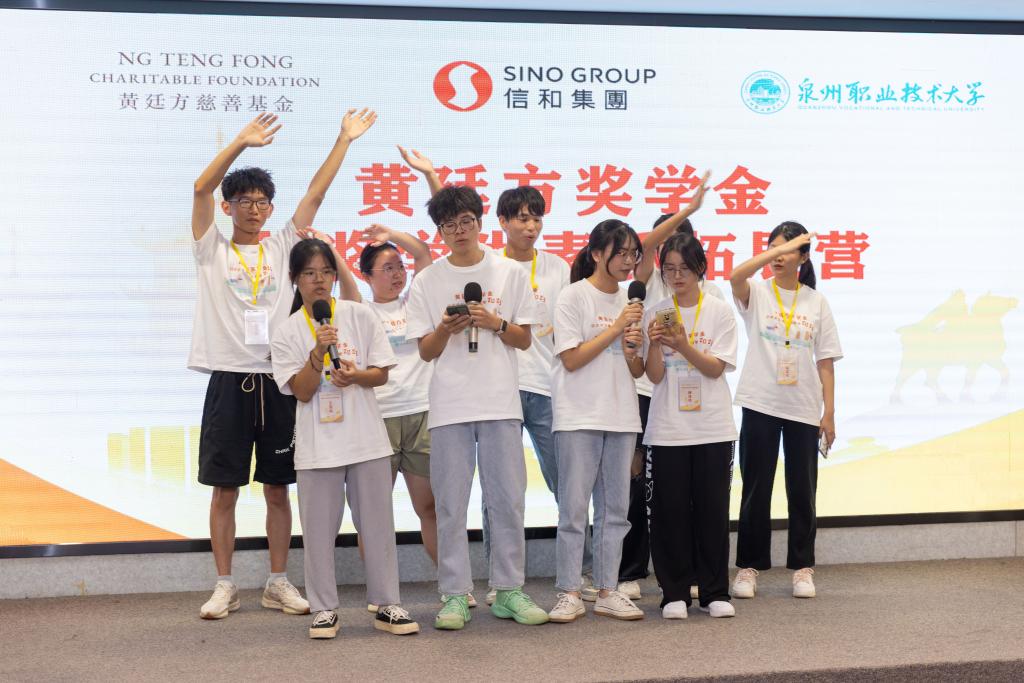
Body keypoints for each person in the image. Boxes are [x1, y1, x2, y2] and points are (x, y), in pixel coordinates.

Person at [189, 109, 376, 620]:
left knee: (278, 487)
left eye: (262, 202)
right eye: (244, 201)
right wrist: (241, 143)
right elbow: (200, 188)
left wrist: (343, 139)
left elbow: (316, 192)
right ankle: (224, 584)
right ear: (229, 206)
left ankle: (277, 580)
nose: (254, 210)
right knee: (224, 488)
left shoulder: (280, 246)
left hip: (279, 379)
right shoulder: (211, 248)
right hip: (229, 379)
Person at [405, 185, 549, 630]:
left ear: (481, 223)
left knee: (507, 500)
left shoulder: (508, 272)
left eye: (466, 221)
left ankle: (508, 590)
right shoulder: (427, 281)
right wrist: (445, 330)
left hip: (500, 403)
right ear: (440, 232)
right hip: (449, 405)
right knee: (450, 504)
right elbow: (425, 351)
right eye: (449, 225)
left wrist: (496, 322)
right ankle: (454, 594)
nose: (459, 231)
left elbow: (525, 339)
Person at [271, 238, 418, 639]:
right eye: (309, 273)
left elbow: (381, 374)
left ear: (335, 277)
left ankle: (387, 604)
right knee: (318, 532)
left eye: (325, 272)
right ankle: (323, 609)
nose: (319, 280)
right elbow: (302, 391)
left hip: (366, 439)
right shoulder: (286, 331)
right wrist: (317, 354)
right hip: (318, 447)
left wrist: (356, 376)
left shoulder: (359, 314)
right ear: (295, 279)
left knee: (378, 526)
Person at [728, 222, 842, 600]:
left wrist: (829, 413)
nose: (777, 256)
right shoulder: (758, 292)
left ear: (803, 257)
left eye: (787, 249)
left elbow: (826, 361)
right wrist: (775, 251)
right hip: (760, 401)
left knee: (803, 490)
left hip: (803, 406)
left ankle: (803, 567)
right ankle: (748, 567)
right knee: (756, 488)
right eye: (772, 248)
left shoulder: (816, 301)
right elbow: (735, 276)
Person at [617, 171, 712, 602]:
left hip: (693, 404)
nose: (675, 263)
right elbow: (646, 244)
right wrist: (686, 209)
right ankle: (630, 571)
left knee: (689, 494)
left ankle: (689, 571)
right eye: (666, 248)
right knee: (639, 485)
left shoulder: (707, 293)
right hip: (647, 394)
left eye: (682, 247)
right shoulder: (652, 281)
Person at [547, 220, 646, 623]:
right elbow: (571, 359)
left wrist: (633, 350)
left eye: (633, 253)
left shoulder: (632, 302)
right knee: (574, 509)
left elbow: (637, 370)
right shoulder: (573, 296)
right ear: (596, 254)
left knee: (616, 511)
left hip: (621, 415)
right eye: (620, 253)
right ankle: (569, 591)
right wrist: (617, 328)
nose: (628, 261)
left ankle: (607, 589)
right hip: (578, 415)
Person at [642, 233, 738, 620]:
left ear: (700, 268)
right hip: (668, 429)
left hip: (713, 427)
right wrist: (654, 345)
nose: (677, 276)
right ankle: (674, 593)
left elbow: (715, 369)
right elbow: (654, 376)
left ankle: (715, 591)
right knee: (670, 513)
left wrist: (682, 345)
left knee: (712, 512)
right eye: (669, 269)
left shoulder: (719, 311)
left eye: (684, 268)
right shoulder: (656, 312)